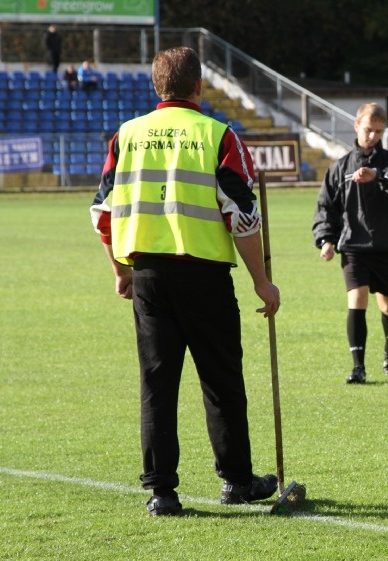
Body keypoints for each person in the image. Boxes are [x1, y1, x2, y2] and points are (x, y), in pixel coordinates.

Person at [89, 47, 281, 516]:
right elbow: (243, 217)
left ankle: (162, 492)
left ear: (157, 86)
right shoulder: (219, 135)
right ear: (199, 87)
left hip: (150, 277)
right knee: (221, 380)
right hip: (205, 276)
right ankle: (236, 481)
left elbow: (101, 212)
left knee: (157, 384)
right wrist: (262, 281)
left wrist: (121, 271)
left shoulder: (126, 136)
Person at [313, 103, 388, 384]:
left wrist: (379, 176)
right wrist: (325, 239)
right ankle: (358, 367)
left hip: (387, 244)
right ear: (357, 126)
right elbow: (326, 207)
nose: (372, 136)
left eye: (378, 132)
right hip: (354, 246)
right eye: (368, 129)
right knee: (357, 301)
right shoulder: (340, 167)